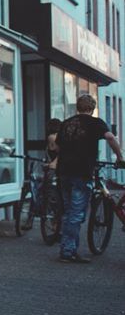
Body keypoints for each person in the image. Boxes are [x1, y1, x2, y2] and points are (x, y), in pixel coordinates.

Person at [54, 94, 125, 263]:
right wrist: (119, 157)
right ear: (92, 108)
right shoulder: (95, 123)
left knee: (67, 211)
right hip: (81, 171)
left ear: (77, 107)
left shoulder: (66, 123)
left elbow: (57, 146)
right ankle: (68, 252)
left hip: (63, 171)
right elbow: (109, 137)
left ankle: (66, 247)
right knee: (76, 213)